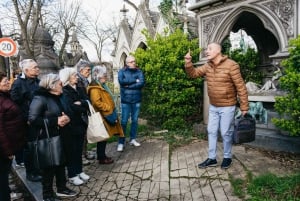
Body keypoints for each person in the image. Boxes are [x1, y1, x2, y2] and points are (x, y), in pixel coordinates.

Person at [184, 42, 249, 169]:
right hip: (213, 106)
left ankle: (227, 157)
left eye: (209, 49)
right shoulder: (208, 66)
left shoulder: (232, 65)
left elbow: (240, 87)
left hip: (228, 106)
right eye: (206, 49)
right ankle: (212, 158)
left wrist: (244, 106)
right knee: (211, 131)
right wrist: (188, 63)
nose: (206, 51)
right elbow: (193, 74)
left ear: (218, 51)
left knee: (225, 132)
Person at [28, 74, 77, 201]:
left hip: (63, 135)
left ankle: (62, 188)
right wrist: (55, 121)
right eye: (60, 83)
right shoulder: (40, 98)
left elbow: (67, 111)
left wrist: (67, 117)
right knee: (49, 168)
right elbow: (32, 119)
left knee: (62, 163)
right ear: (52, 85)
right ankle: (47, 195)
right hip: (49, 138)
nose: (62, 85)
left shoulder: (60, 96)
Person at [10, 59, 42, 181]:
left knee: (38, 146)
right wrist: (26, 118)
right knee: (29, 148)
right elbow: (15, 104)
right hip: (27, 122)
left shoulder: (38, 81)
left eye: (37, 67)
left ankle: (38, 169)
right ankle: (31, 173)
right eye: (35, 67)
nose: (37, 69)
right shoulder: (18, 84)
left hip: (39, 119)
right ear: (26, 70)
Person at [59, 68, 90, 186]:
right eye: (74, 75)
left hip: (81, 122)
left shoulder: (80, 88)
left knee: (79, 149)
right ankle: (72, 175)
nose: (77, 77)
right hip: (71, 124)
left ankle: (79, 171)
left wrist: (81, 103)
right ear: (68, 77)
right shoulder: (65, 90)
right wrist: (82, 105)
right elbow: (70, 107)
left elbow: (87, 102)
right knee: (72, 150)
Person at [87, 65, 124, 164]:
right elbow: (96, 102)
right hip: (102, 115)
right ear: (98, 76)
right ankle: (102, 158)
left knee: (104, 137)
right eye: (104, 75)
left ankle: (102, 156)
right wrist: (108, 107)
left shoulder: (101, 86)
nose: (106, 77)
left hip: (105, 114)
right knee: (102, 137)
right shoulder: (95, 88)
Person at [0, 72, 26, 201]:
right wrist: (8, 150)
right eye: (5, 81)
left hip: (9, 144)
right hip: (3, 149)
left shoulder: (5, 96)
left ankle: (7, 192)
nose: (8, 82)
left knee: (4, 174)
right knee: (2, 175)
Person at [117, 56, 145, 152]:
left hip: (136, 100)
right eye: (132, 62)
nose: (134, 63)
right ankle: (121, 142)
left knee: (135, 120)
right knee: (124, 121)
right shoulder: (122, 71)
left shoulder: (139, 71)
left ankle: (132, 139)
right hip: (126, 101)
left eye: (134, 61)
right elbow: (121, 82)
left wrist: (128, 86)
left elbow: (141, 83)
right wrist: (134, 81)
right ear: (127, 63)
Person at [75, 60, 95, 163]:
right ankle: (81, 157)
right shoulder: (77, 80)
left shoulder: (85, 80)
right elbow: (79, 96)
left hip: (85, 108)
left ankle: (85, 153)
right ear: (81, 70)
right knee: (82, 135)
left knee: (85, 134)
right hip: (80, 111)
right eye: (88, 70)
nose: (89, 72)